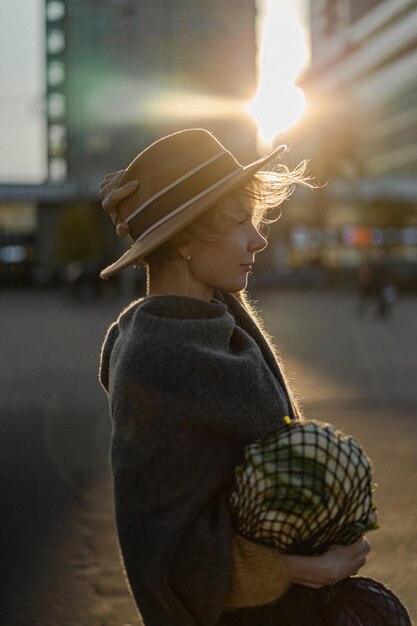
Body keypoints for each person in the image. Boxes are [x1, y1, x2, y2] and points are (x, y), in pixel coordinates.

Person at [98, 128, 371, 626]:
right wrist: (308, 570)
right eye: (240, 221)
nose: (259, 238)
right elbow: (162, 556)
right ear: (182, 238)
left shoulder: (214, 318)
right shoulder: (157, 359)